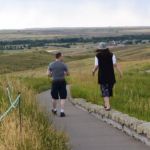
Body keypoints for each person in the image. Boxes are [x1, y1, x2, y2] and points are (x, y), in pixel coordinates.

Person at [92, 42, 122, 111]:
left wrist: (93, 71)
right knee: (108, 90)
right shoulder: (112, 55)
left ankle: (107, 105)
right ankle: (107, 105)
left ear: (99, 48)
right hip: (111, 75)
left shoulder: (97, 56)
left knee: (105, 90)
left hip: (102, 75)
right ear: (107, 48)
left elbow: (96, 66)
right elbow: (115, 65)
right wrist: (120, 72)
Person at [47, 52, 69, 117]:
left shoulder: (51, 64)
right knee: (63, 97)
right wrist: (64, 73)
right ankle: (62, 111)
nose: (63, 57)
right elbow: (68, 73)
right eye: (62, 56)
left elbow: (48, 74)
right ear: (59, 57)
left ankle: (54, 109)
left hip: (55, 82)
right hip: (62, 81)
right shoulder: (64, 65)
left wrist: (52, 74)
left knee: (54, 97)